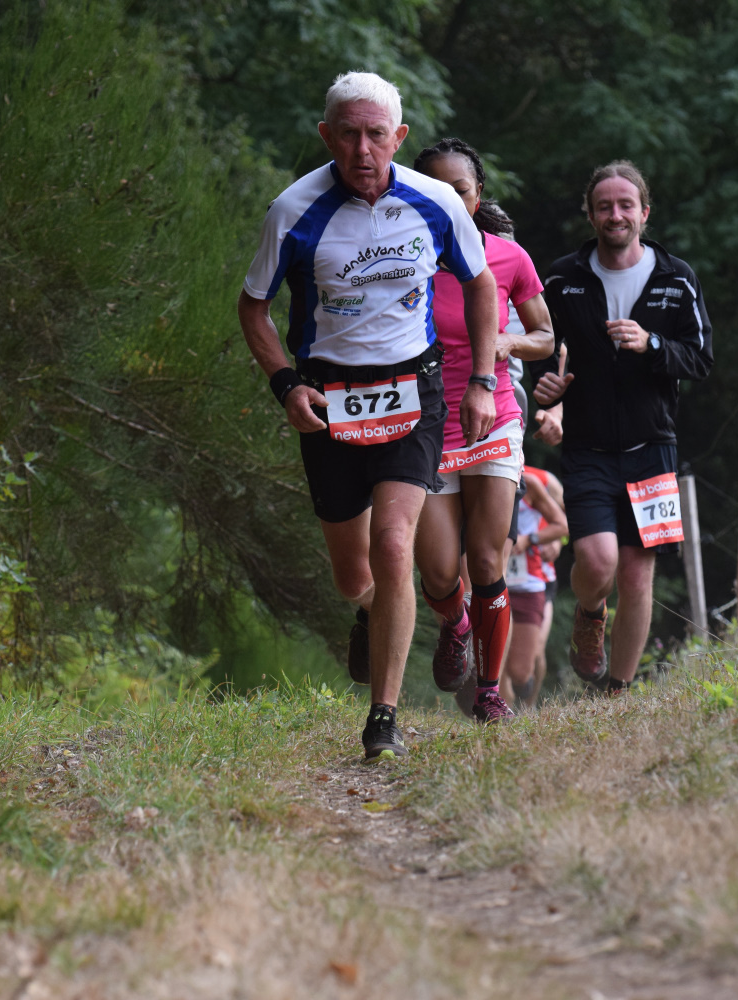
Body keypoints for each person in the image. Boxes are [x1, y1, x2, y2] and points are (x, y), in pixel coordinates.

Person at [238, 73, 499, 758]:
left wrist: (480, 379)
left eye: (376, 135)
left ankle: (384, 717)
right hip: (329, 399)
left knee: (393, 545)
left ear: (399, 137)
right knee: (355, 578)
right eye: (348, 135)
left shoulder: (436, 201)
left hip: (414, 389)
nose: (362, 150)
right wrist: (286, 386)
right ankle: (372, 613)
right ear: (327, 136)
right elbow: (253, 307)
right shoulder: (294, 210)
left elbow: (480, 282)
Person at [531, 160, 713, 693]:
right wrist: (545, 391)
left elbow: (700, 358)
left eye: (625, 205)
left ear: (644, 213)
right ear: (590, 215)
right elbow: (537, 346)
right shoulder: (562, 278)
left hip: (652, 447)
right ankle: (590, 613)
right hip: (586, 448)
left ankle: (618, 691)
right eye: (605, 206)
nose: (616, 214)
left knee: (637, 575)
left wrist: (651, 343)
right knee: (597, 560)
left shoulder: (676, 277)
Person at [408, 138, 553, 723]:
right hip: (424, 424)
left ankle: (490, 693)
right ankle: (456, 624)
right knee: (440, 571)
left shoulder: (509, 257)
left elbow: (545, 337)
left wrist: (508, 341)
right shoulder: (402, 257)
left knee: (487, 561)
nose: (449, 201)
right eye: (435, 191)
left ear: (478, 195)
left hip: (494, 417)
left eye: (460, 190)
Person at [499, 466, 566, 709]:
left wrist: (557, 543)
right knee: (499, 655)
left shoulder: (544, 480)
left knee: (533, 654)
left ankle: (530, 705)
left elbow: (565, 520)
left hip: (536, 579)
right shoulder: (478, 469)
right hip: (497, 581)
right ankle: (501, 710)